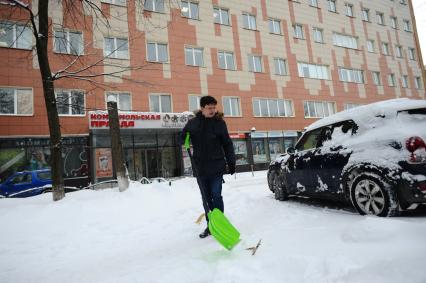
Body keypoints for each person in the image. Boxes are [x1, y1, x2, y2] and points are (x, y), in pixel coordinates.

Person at [181, 96, 236, 238]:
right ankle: (210, 225)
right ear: (202, 108)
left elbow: (227, 144)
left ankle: (220, 224)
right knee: (206, 198)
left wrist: (231, 162)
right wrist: (184, 138)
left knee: (216, 195)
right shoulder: (193, 123)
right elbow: (182, 136)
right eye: (209, 108)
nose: (212, 110)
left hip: (217, 165)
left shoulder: (219, 123)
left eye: (214, 107)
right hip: (200, 167)